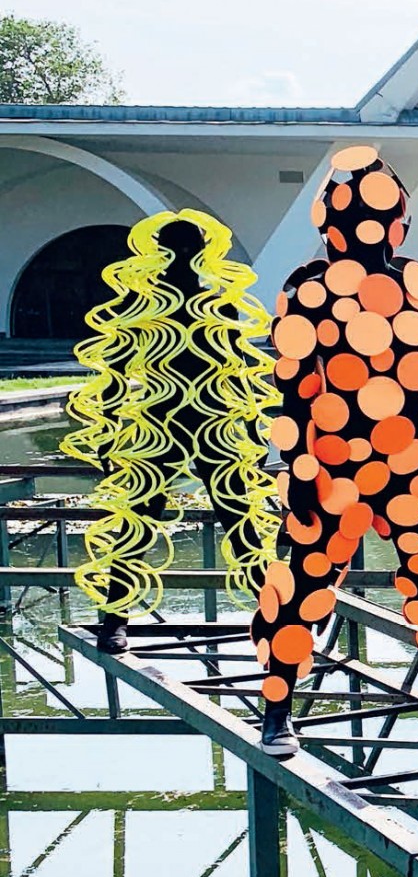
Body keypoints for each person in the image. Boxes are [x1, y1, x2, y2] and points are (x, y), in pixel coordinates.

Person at [250, 145, 418, 758]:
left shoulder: (416, 287)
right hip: (333, 467)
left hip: (410, 466)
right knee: (305, 582)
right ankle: (277, 707)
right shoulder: (309, 290)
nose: (377, 227)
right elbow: (294, 389)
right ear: (333, 222)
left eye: (384, 216)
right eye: (359, 214)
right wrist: (299, 468)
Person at [62, 211, 278, 651]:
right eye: (174, 249)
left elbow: (236, 370)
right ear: (160, 252)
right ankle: (115, 622)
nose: (180, 256)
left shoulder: (217, 304)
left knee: (238, 520)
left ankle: (274, 615)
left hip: (211, 423)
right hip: (162, 426)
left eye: (186, 248)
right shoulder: (142, 305)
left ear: (198, 252)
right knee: (140, 522)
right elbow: (117, 373)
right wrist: (108, 432)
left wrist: (253, 432)